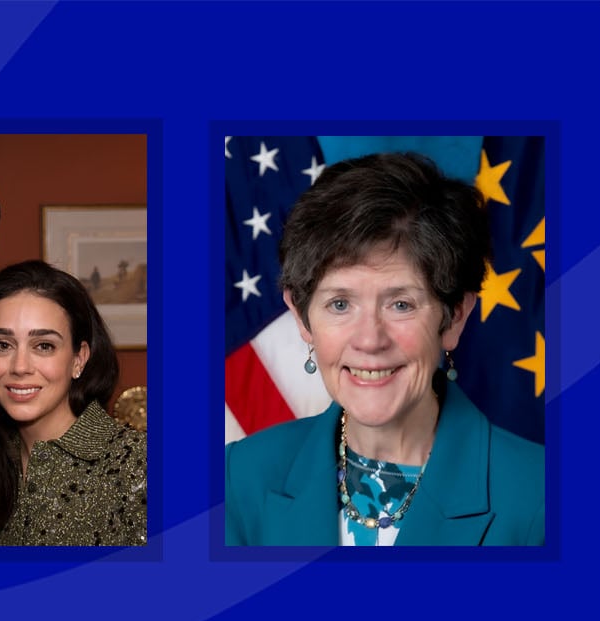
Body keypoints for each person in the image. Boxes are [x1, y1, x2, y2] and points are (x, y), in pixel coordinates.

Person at [225, 153, 544, 546]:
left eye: (401, 304)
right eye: (339, 304)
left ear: (455, 317)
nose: (370, 340)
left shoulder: (543, 496)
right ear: (302, 317)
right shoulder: (240, 477)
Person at [0, 260, 147, 546]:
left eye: (43, 346)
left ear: (79, 358)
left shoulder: (139, 463)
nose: (20, 367)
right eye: (3, 345)